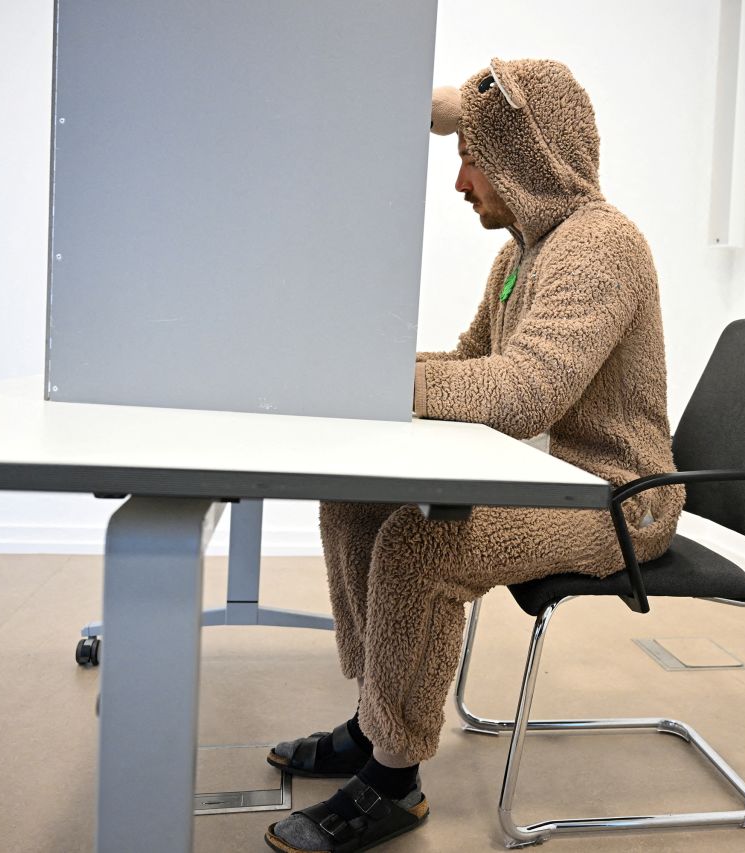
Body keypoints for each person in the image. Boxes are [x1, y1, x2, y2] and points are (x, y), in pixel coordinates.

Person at [263, 58, 683, 853]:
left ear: (527, 161)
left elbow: (523, 395)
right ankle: (373, 719)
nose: (460, 182)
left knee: (426, 542)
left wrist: (387, 382)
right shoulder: (522, 252)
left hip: (619, 498)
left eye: (474, 160)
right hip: (553, 482)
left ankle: (394, 782)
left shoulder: (604, 246)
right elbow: (467, 360)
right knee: (355, 500)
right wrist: (364, 371)